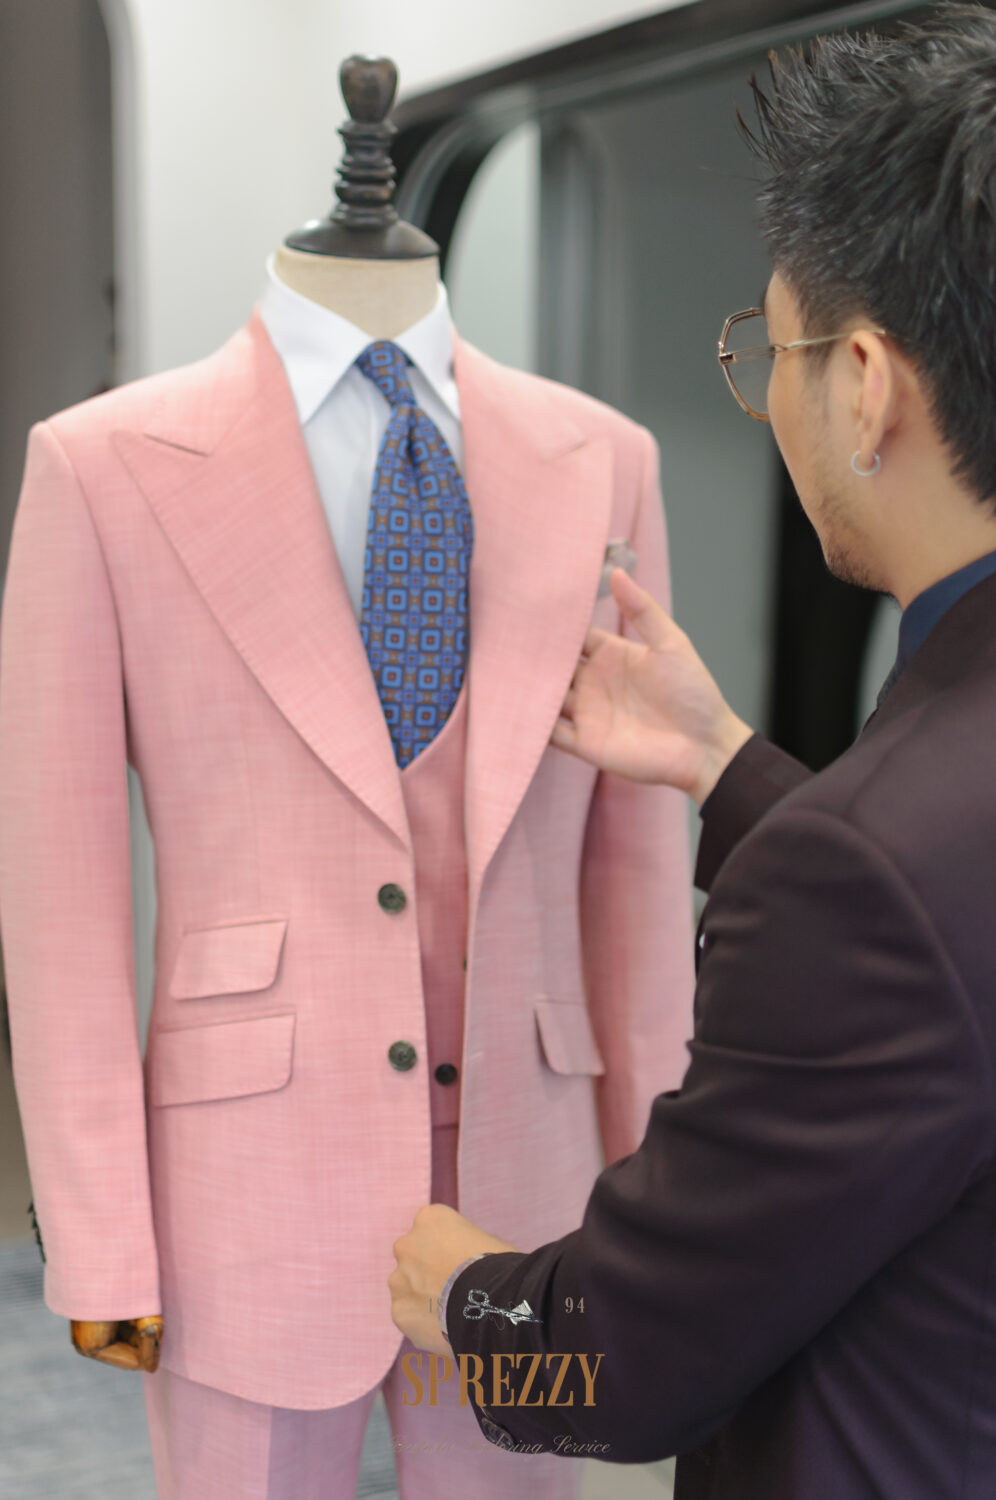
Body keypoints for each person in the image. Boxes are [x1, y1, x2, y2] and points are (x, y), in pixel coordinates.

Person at [389, 4, 996, 1495]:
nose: (770, 394)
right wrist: (731, 766)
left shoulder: (870, 869)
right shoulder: (907, 834)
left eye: (770, 351)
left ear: (866, 384)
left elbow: (618, 1364)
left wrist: (463, 1297)